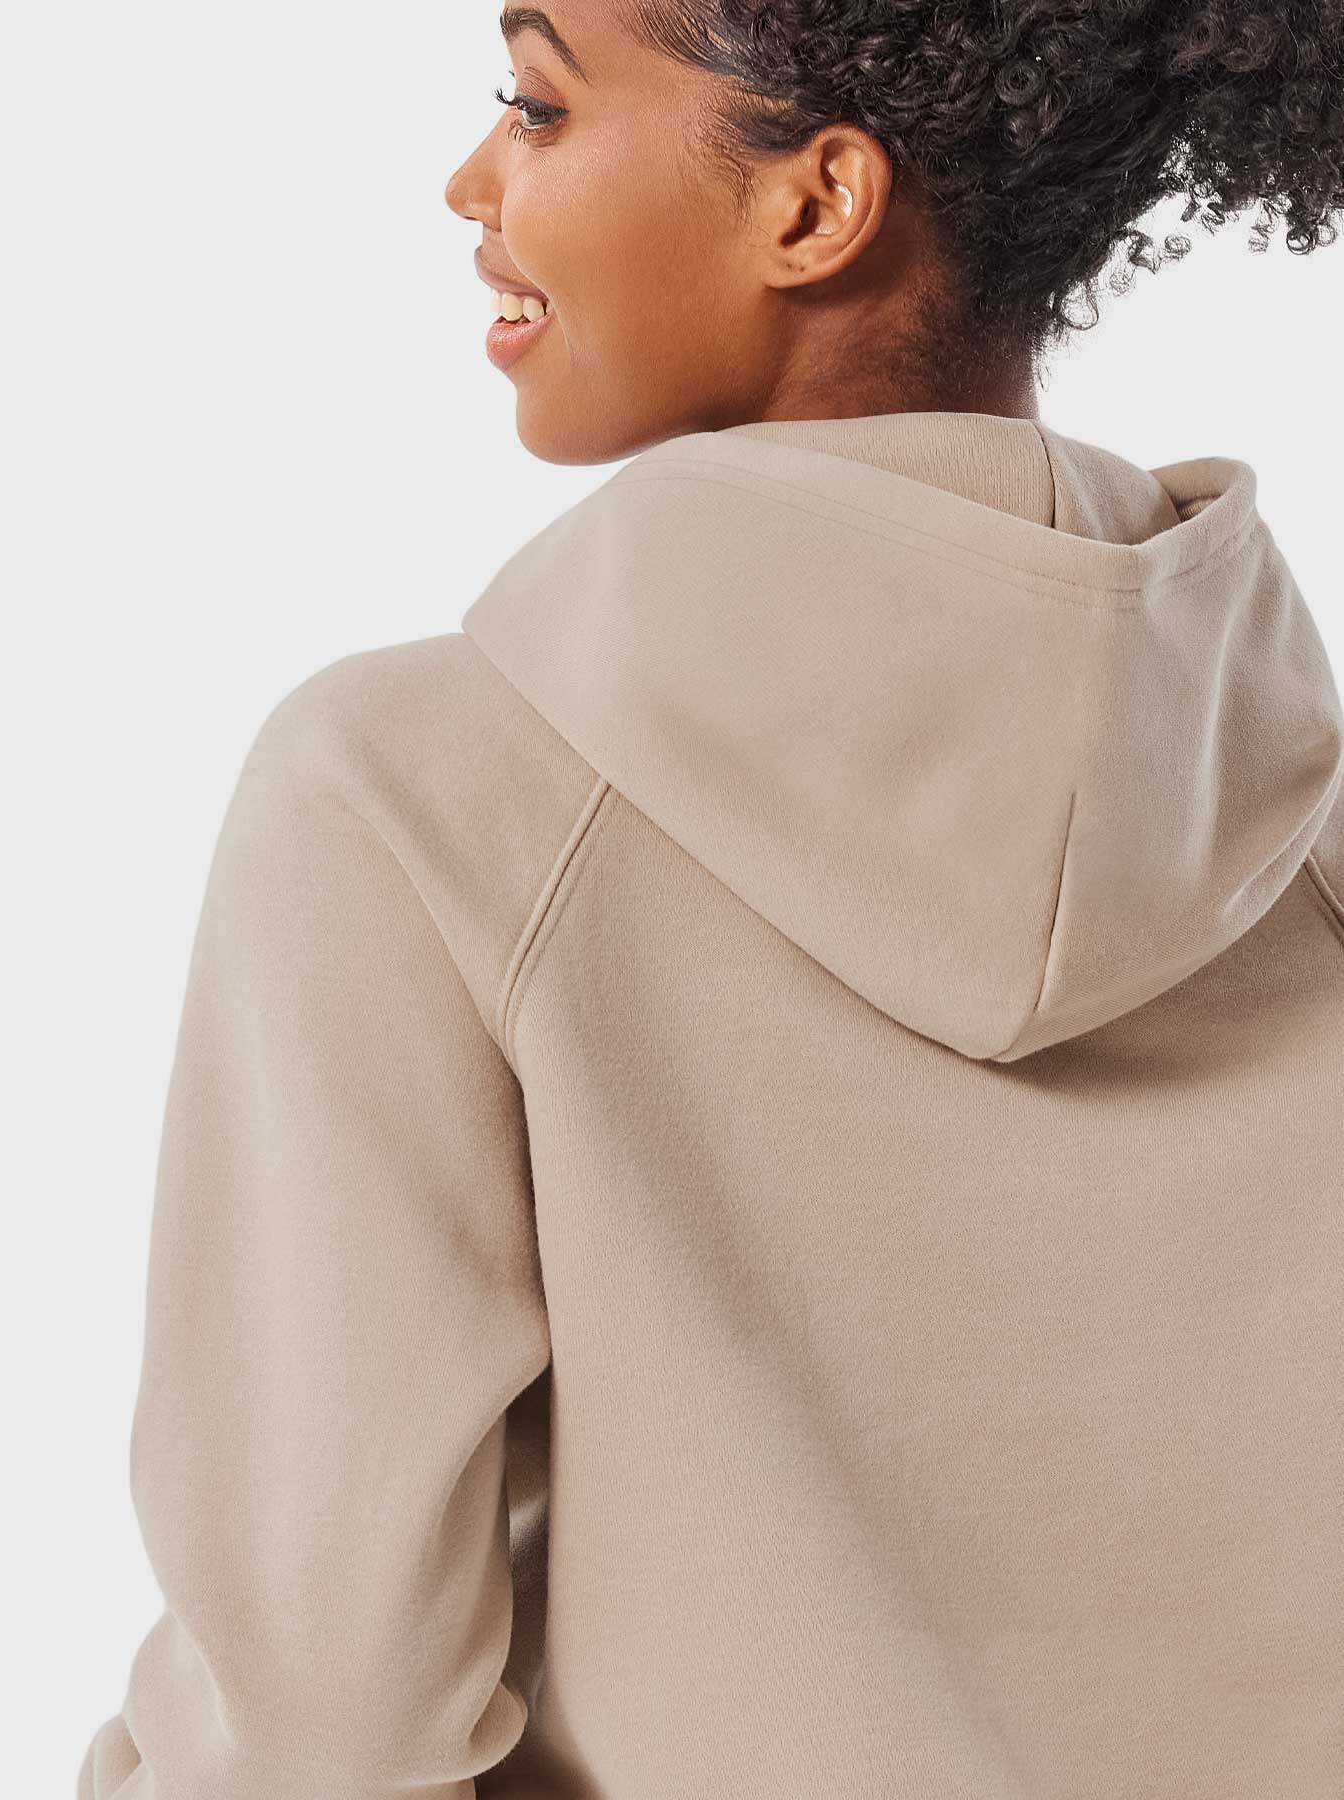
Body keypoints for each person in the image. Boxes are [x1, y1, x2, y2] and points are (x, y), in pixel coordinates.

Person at [79, 3, 1344, 1797]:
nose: (468, 180)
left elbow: (326, 1717)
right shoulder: (1301, 824)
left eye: (533, 105)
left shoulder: (409, 797)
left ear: (814, 205)